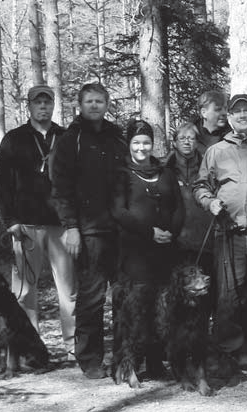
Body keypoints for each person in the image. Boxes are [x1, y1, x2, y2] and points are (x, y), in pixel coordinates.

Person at [194, 93, 247, 380]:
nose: (243, 115)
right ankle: (232, 356)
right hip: (228, 233)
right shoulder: (217, 151)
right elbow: (200, 186)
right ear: (229, 117)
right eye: (237, 111)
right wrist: (210, 202)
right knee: (229, 296)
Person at [0, 85, 76, 361]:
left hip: (60, 225)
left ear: (53, 105)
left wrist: (74, 222)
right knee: (25, 292)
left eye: (47, 102)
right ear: (28, 105)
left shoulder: (65, 137)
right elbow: (2, 186)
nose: (43, 106)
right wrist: (10, 221)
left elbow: (78, 182)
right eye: (37, 102)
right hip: (25, 227)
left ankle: (73, 347)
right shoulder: (14, 139)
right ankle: (30, 350)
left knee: (69, 290)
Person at [50, 82, 126, 380]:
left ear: (107, 104)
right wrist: (70, 227)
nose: (95, 105)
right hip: (88, 231)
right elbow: (61, 188)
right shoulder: (71, 140)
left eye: (100, 101)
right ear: (80, 105)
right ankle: (91, 359)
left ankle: (123, 356)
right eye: (89, 101)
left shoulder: (116, 139)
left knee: (122, 296)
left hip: (120, 231)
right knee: (92, 298)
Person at [110, 119, 185, 383]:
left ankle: (156, 362)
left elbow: (178, 208)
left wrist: (171, 233)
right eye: (136, 143)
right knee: (134, 312)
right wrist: (149, 232)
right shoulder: (121, 174)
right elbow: (119, 211)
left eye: (146, 143)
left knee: (161, 310)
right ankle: (126, 364)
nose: (142, 148)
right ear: (129, 145)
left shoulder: (165, 174)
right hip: (135, 254)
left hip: (165, 253)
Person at [164, 122, 213, 271]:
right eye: (182, 138)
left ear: (197, 143)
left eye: (191, 138)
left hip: (205, 242)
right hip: (175, 243)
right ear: (174, 143)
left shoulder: (207, 170)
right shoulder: (165, 171)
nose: (186, 142)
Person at [194, 91, 231, 157]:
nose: (224, 113)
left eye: (225, 109)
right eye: (218, 109)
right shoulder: (189, 137)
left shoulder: (232, 139)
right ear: (204, 113)